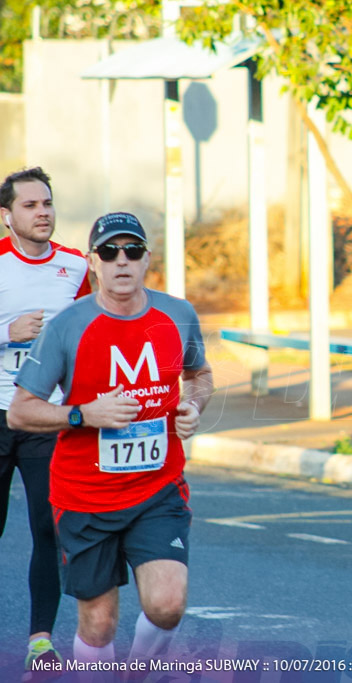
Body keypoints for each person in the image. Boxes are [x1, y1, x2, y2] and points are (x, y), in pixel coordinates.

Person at [8, 212, 213, 667]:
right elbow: (21, 410)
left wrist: (193, 406)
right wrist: (83, 414)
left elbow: (200, 374)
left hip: (157, 489)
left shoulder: (177, 315)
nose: (122, 261)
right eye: (109, 252)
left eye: (132, 251)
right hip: (85, 496)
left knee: (167, 604)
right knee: (99, 623)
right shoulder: (69, 326)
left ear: (146, 260)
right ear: (92, 262)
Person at [0, 167, 91, 675]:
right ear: (6, 216)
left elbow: (93, 336)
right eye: (31, 205)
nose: (43, 213)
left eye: (48, 203)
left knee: (47, 530)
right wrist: (7, 330)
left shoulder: (76, 268)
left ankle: (40, 640)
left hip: (43, 418)